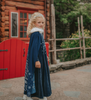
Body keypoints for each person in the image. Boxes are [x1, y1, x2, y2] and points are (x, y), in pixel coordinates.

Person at [22, 12, 52, 100]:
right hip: (37, 59)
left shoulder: (39, 33)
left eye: (42, 22)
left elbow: (40, 47)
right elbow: (34, 49)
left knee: (35, 75)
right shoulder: (36, 34)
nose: (41, 24)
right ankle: (38, 95)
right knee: (38, 75)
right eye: (39, 22)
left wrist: (45, 56)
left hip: (40, 58)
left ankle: (28, 94)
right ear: (34, 23)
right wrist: (36, 60)